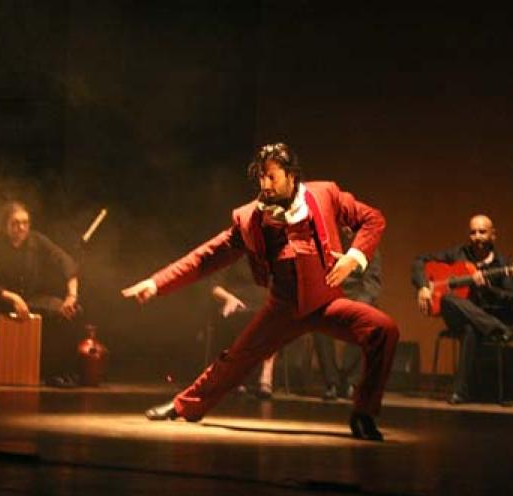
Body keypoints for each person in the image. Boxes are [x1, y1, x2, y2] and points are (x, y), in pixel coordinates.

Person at [122, 142, 399, 441]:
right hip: (283, 310)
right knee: (235, 360)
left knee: (384, 330)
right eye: (261, 178)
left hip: (326, 304)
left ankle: (364, 414)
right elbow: (207, 256)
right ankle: (184, 406)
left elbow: (372, 219)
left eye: (272, 177)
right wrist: (157, 283)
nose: (265, 185)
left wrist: (354, 257)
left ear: (291, 175)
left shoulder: (324, 194)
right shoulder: (250, 218)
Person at [0, 201, 81, 388]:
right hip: (1, 298)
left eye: (25, 223)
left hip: (31, 297)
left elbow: (64, 261)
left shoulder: (37, 241)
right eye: (15, 223)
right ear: (5, 225)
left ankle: (58, 374)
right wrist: (13, 298)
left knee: (67, 311)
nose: (21, 228)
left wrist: (71, 296)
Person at [412, 215, 513, 405]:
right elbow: (419, 261)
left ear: (493, 235)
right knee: (447, 298)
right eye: (473, 232)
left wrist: (487, 288)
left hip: (487, 315)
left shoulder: (504, 265)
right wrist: (422, 286)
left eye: (482, 232)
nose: (477, 237)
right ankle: (498, 329)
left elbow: (512, 298)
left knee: (471, 329)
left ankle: (461, 392)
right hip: (459, 317)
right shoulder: (458, 254)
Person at [312, 226, 382, 401]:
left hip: (358, 299)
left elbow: (371, 285)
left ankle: (351, 381)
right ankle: (332, 382)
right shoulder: (328, 246)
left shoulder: (369, 249)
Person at [209, 263, 276, 399]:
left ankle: (266, 377)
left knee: (275, 320)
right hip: (237, 303)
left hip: (264, 304)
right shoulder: (232, 257)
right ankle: (236, 377)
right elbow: (214, 287)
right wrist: (229, 298)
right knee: (242, 322)